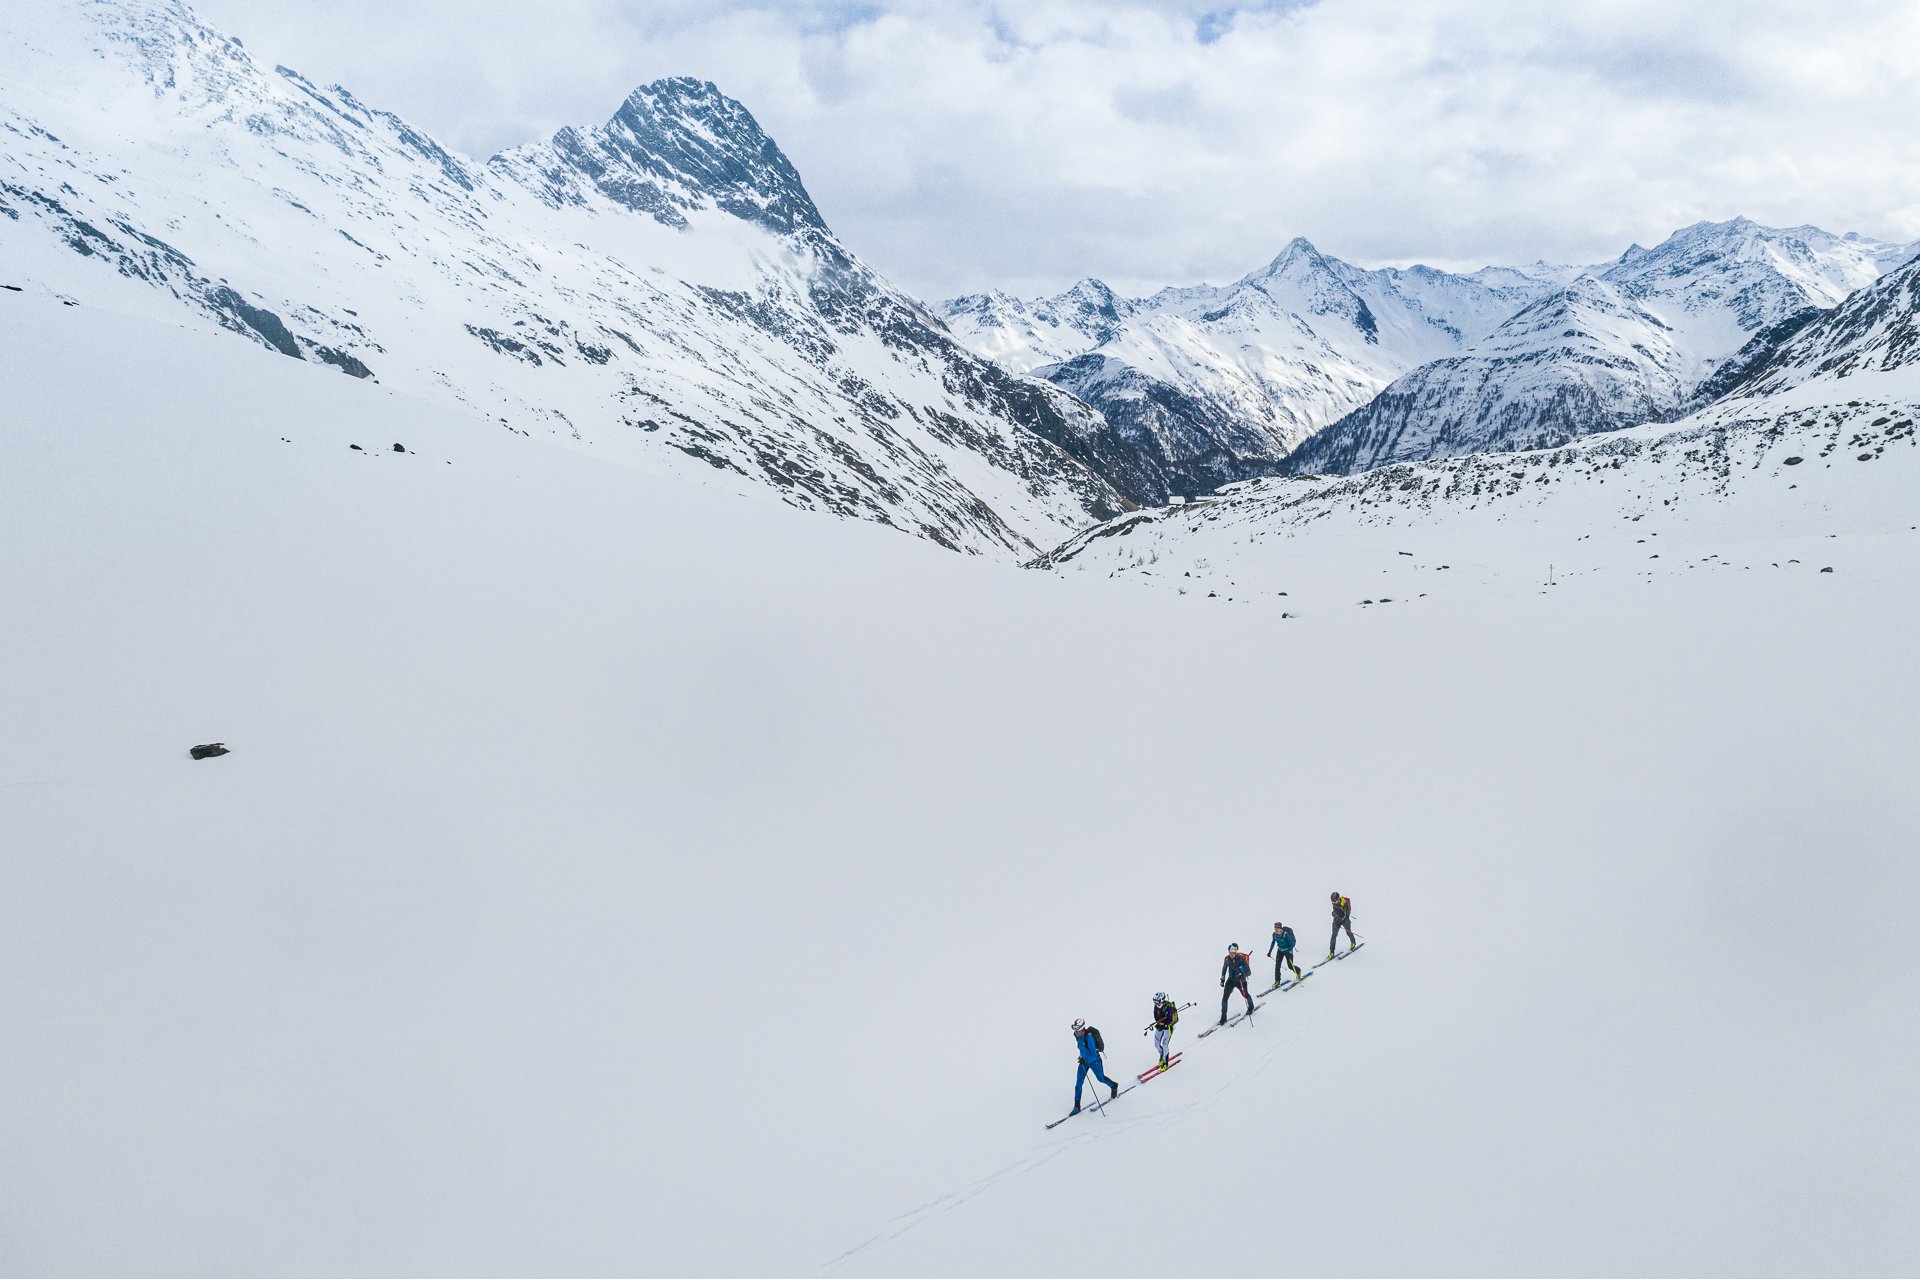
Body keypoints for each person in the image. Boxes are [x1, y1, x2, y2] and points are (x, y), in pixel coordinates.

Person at [1070, 1018, 1119, 1114]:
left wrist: (1086, 1059)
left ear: (1082, 1029)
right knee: (1078, 1084)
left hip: (1094, 1061)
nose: (1076, 1032)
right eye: (1075, 1029)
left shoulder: (1089, 1038)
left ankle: (1114, 1086)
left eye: (1078, 1030)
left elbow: (1093, 1054)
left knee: (1101, 1079)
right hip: (1084, 1062)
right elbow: (1082, 1047)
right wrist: (1081, 1056)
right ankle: (1076, 1106)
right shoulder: (1077, 1035)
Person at [1218, 943, 1254, 1024]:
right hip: (1231, 980)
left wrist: (1243, 975)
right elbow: (1224, 969)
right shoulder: (1227, 959)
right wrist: (1222, 979)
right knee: (1224, 998)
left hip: (1241, 981)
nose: (1231, 953)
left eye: (1233, 951)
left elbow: (1249, 972)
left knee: (1245, 995)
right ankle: (1223, 1017)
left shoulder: (1241, 959)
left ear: (1236, 951)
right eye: (1230, 951)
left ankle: (1251, 1007)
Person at [1150, 993, 1179, 1068]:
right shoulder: (1156, 1007)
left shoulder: (1168, 1007)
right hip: (1160, 1026)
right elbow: (1155, 1017)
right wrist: (1159, 1022)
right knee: (1156, 1044)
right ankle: (1162, 1055)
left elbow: (1170, 1019)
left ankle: (1165, 1063)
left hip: (1168, 1028)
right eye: (1155, 1001)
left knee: (1164, 1045)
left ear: (1162, 1000)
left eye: (1157, 1001)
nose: (1156, 1003)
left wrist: (1163, 1023)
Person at [1328, 891, 1356, 958]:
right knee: (1333, 935)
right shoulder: (1334, 902)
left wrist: (1340, 919)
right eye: (1332, 902)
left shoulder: (1344, 903)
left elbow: (1345, 915)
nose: (1334, 903)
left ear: (1338, 899)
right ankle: (1331, 952)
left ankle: (1353, 942)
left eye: (1335, 901)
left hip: (1344, 919)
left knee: (1348, 932)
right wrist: (1333, 914)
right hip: (1337, 919)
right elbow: (1335, 910)